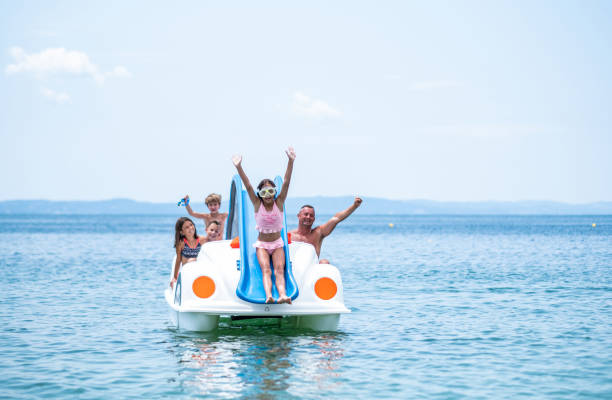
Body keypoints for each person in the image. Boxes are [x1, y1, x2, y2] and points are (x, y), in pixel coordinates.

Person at [232, 147, 296, 304]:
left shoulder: (279, 203)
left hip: (277, 244)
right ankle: (269, 295)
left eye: (271, 191)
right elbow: (247, 185)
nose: (268, 195)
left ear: (275, 192)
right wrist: (239, 167)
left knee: (279, 270)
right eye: (264, 192)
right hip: (262, 245)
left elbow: (286, 183)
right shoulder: (256, 204)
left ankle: (282, 295)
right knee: (266, 270)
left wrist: (290, 161)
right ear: (260, 194)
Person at [289, 197, 362, 264]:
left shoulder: (318, 233)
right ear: (298, 216)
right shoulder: (288, 235)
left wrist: (354, 206)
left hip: (311, 272)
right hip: (293, 271)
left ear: (314, 219)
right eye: (306, 214)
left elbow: (337, 218)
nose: (308, 217)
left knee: (324, 262)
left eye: (311, 215)